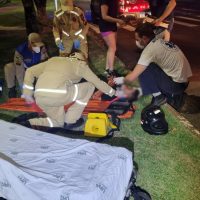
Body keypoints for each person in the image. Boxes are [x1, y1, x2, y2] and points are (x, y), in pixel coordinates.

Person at [21, 52, 117, 129]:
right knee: (90, 86)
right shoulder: (80, 64)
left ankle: (28, 123)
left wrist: (27, 93)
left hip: (39, 97)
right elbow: (97, 82)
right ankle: (71, 120)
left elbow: (30, 71)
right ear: (83, 59)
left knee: (58, 123)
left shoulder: (53, 60)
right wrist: (113, 92)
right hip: (58, 94)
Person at [114, 23, 192, 110]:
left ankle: (159, 97)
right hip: (185, 81)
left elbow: (132, 77)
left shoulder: (149, 51)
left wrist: (120, 80)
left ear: (144, 38)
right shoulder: (157, 39)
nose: (137, 42)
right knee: (147, 66)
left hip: (176, 86)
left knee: (145, 68)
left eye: (137, 39)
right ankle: (158, 92)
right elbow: (166, 31)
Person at [4, 33, 48, 98]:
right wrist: (24, 92)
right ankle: (12, 89)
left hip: (35, 67)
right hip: (24, 68)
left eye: (39, 45)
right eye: (35, 45)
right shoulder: (20, 51)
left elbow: (45, 62)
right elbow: (19, 73)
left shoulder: (42, 48)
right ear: (29, 43)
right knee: (9, 67)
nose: (37, 47)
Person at [99, 0, 125, 76]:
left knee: (111, 48)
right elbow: (104, 16)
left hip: (111, 26)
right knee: (112, 48)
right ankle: (111, 70)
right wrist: (118, 20)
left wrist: (118, 20)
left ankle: (108, 69)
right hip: (106, 27)